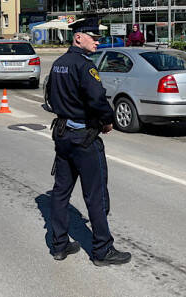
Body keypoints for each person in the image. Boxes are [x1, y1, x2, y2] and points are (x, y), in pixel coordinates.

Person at [45, 16, 131, 266]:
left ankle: (59, 245)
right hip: (84, 137)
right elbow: (97, 99)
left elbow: (50, 95)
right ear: (79, 37)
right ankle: (103, 250)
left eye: (99, 38)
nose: (97, 42)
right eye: (94, 37)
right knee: (95, 195)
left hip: (62, 135)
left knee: (61, 192)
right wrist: (107, 120)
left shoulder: (59, 63)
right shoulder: (85, 66)